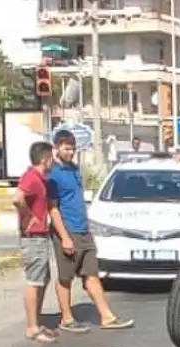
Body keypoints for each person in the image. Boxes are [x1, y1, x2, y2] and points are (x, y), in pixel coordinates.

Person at [47, 130, 134, 332]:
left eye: (72, 149)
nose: (70, 152)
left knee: (92, 274)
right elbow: (53, 208)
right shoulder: (53, 174)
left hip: (83, 230)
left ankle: (107, 317)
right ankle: (66, 319)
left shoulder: (75, 170)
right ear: (57, 147)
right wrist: (65, 238)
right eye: (66, 148)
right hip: (67, 232)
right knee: (65, 277)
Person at [13, 141, 58, 344]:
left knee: (42, 278)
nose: (53, 162)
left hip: (40, 236)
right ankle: (32, 327)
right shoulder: (32, 177)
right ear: (44, 159)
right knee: (35, 281)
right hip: (33, 238)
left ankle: (37, 322)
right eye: (51, 158)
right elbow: (17, 198)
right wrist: (29, 216)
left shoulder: (40, 179)